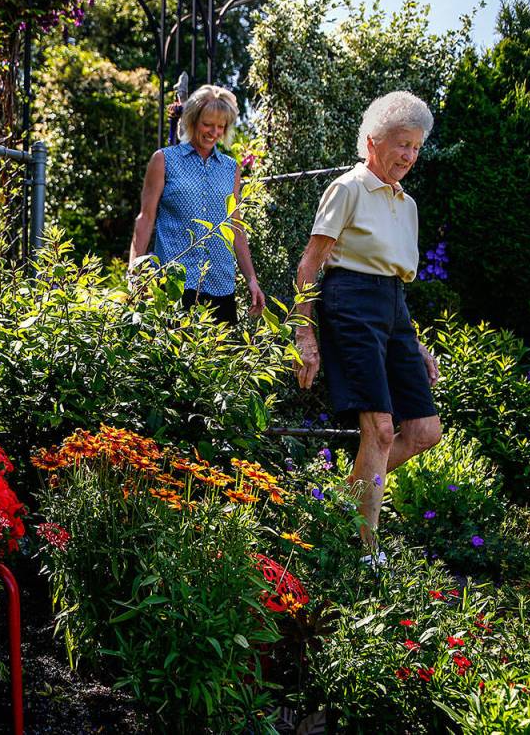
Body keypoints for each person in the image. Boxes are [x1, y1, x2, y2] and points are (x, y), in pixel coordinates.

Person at [293, 91, 442, 560]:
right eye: (402, 144)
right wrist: (304, 331)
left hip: (393, 309)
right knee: (378, 429)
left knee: (424, 431)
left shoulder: (408, 205)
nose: (409, 156)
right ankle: (365, 550)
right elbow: (309, 266)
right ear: (373, 141)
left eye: (417, 147)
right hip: (349, 302)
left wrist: (414, 345)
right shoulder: (349, 189)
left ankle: (341, 503)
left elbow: (396, 281)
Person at [129, 84, 265, 324]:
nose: (214, 132)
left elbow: (235, 227)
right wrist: (135, 274)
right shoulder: (164, 160)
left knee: (220, 360)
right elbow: (146, 218)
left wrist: (251, 279)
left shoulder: (230, 168)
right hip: (174, 284)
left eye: (220, 126)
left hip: (220, 283)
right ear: (192, 120)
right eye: (207, 124)